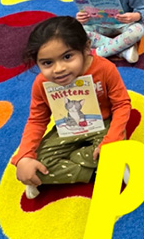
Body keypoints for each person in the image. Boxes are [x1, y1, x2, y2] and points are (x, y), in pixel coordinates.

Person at [12, 16, 131, 200]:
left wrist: (111, 140)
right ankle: (95, 171)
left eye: (67, 57)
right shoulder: (41, 83)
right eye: (47, 63)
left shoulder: (105, 69)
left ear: (86, 48)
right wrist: (25, 156)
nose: (59, 69)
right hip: (67, 128)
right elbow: (37, 120)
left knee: (111, 146)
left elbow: (122, 105)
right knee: (36, 166)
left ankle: (102, 160)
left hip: (102, 125)